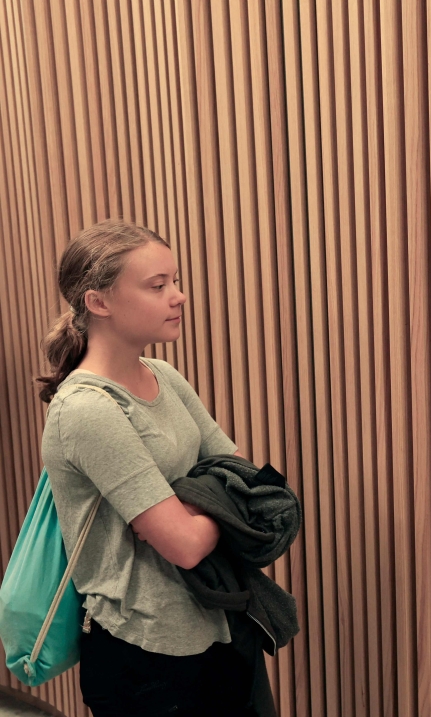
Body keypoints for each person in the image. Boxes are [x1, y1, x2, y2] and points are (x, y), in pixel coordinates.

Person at [36, 219, 256, 716]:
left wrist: (197, 505)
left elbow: (240, 471)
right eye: (158, 286)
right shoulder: (87, 410)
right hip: (145, 653)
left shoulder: (162, 374)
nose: (178, 296)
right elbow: (183, 544)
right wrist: (215, 502)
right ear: (98, 302)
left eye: (175, 281)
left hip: (214, 621)